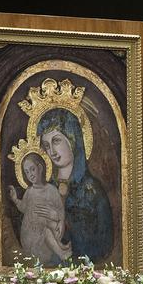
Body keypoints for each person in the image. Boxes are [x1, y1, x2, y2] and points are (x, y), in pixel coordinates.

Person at [38, 107, 114, 261]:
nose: (52, 151)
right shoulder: (45, 188)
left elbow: (104, 242)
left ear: (73, 139)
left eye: (56, 141)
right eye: (46, 145)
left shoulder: (92, 190)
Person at [8, 151, 72, 266]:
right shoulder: (29, 192)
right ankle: (61, 252)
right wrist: (15, 199)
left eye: (32, 169)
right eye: (27, 172)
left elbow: (60, 210)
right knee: (46, 230)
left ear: (40, 168)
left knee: (51, 224)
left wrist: (58, 217)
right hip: (31, 236)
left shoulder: (52, 190)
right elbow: (23, 208)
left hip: (47, 232)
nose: (30, 174)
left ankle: (60, 246)